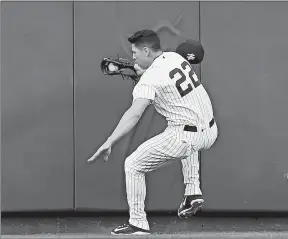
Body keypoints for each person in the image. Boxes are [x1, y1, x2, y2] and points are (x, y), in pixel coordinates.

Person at [87, 29, 218, 236]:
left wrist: (110, 140)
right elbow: (166, 74)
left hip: (184, 138)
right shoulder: (174, 57)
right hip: (210, 132)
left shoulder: (149, 80)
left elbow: (134, 114)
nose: (133, 57)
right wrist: (141, 73)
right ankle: (192, 192)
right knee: (190, 136)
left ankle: (138, 223)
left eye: (135, 53)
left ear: (146, 51)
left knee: (133, 165)